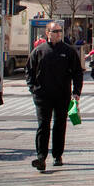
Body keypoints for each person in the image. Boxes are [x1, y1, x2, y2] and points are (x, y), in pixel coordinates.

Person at [24, 22, 82, 172]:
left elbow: (77, 72)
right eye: (55, 31)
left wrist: (76, 92)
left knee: (59, 125)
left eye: (59, 31)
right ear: (47, 33)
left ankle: (57, 155)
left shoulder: (68, 51)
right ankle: (41, 157)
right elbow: (29, 71)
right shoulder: (39, 51)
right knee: (43, 126)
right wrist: (33, 89)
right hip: (42, 96)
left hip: (62, 95)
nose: (58, 33)